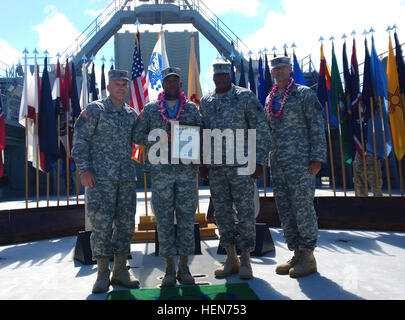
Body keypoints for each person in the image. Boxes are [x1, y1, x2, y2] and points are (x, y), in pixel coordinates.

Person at [199, 61, 270, 280]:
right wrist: (202, 163)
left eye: (224, 74)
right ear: (213, 78)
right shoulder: (206, 102)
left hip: (242, 166)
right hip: (217, 168)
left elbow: (261, 128)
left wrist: (259, 160)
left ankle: (246, 260)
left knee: (245, 213)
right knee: (222, 214)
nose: (220, 78)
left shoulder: (245, 97)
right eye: (217, 75)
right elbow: (203, 133)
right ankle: (231, 258)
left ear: (230, 75)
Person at [72, 70, 140, 293]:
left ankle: (120, 270)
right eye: (117, 84)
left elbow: (139, 145)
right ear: (108, 87)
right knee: (101, 225)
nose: (121, 88)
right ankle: (102, 273)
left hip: (127, 180)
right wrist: (84, 169)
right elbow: (80, 140)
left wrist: (139, 160)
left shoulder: (131, 115)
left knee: (125, 225)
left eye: (124, 84)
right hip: (100, 180)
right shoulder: (95, 110)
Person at [132, 67, 202, 287]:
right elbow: (137, 135)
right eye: (167, 81)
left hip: (186, 173)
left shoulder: (191, 108)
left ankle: (184, 267)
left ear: (180, 84)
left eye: (175, 81)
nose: (171, 84)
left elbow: (201, 133)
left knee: (186, 219)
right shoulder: (151, 109)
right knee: (163, 220)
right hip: (161, 173)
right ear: (162, 84)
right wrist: (161, 137)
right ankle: (169, 268)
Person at [265, 56, 327, 278]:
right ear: (272, 72)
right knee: (286, 210)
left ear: (290, 70)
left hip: (301, 163)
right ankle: (297, 253)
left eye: (283, 68)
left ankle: (309, 256)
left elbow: (317, 126)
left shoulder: (304, 94)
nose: (279, 72)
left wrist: (317, 158)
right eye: (276, 69)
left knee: (302, 208)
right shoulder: (271, 98)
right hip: (279, 164)